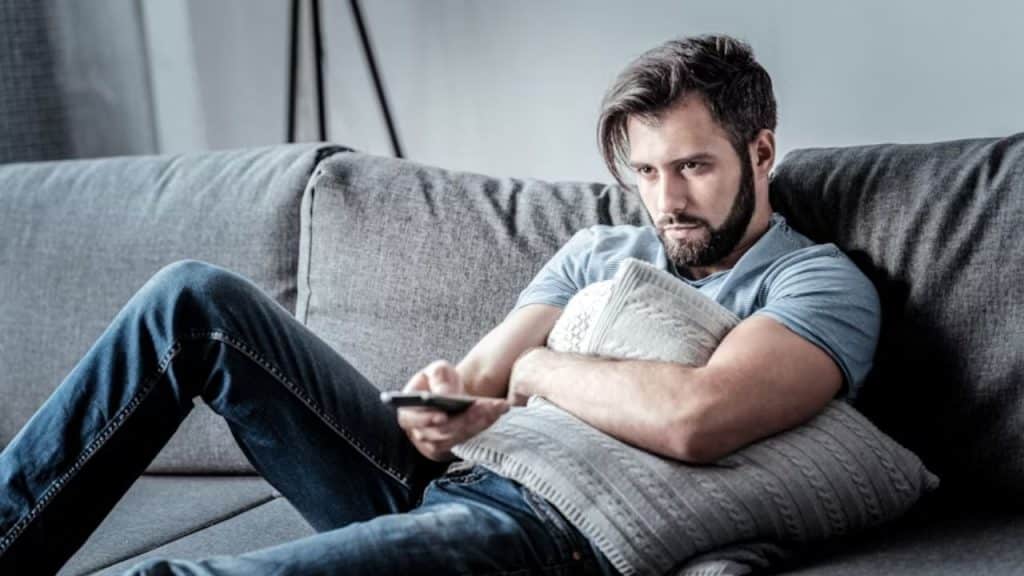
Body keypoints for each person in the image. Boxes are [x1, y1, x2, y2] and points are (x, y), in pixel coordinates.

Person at [0, 34, 879, 575]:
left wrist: (539, 370)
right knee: (189, 300)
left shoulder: (815, 285)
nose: (665, 201)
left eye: (693, 167)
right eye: (645, 172)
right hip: (449, 479)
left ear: (760, 151)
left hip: (545, 522)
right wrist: (438, 410)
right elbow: (478, 380)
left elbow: (700, 420)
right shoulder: (598, 253)